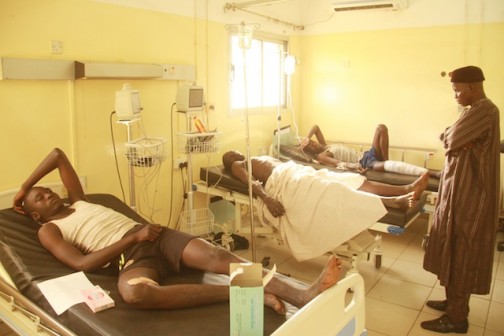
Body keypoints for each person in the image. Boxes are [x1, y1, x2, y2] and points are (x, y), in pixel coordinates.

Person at [12, 148, 343, 314]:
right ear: (36, 215)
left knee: (218, 256)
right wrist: (133, 240)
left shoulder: (79, 200)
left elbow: (57, 154)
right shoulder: (49, 230)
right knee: (135, 293)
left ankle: (301, 294)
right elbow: (83, 264)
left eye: (46, 189)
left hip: (153, 234)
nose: (48, 193)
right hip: (131, 254)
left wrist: (25, 185)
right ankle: (241, 293)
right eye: (39, 197)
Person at [421, 66, 500, 333]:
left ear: (472, 88)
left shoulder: (485, 110)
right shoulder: (472, 111)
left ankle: (457, 319)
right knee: (452, 248)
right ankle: (454, 304)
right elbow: (448, 136)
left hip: (471, 197)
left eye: (457, 90)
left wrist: (454, 138)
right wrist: (453, 137)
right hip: (458, 193)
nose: (455, 95)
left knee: (463, 252)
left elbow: (450, 137)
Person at [223, 150, 430, 217]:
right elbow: (251, 183)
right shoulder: (238, 165)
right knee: (333, 190)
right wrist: (268, 200)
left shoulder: (257, 156)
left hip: (297, 171)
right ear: (230, 161)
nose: (236, 152)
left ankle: (407, 188)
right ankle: (392, 202)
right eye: (231, 154)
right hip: (287, 180)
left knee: (351, 179)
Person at [300, 124, 440, 177]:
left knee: (381, 128)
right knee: (391, 166)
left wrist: (306, 138)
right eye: (311, 146)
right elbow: (338, 163)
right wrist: (356, 167)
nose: (314, 144)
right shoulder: (322, 155)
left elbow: (316, 127)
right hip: (364, 162)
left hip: (367, 154)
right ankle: (434, 173)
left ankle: (385, 162)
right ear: (313, 153)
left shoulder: (325, 145)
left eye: (312, 142)